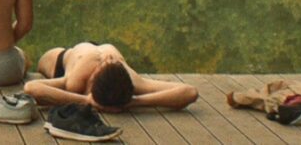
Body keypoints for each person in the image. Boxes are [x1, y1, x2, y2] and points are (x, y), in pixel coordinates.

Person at [24, 42, 198, 112]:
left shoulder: (132, 80)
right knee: (38, 63)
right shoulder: (76, 80)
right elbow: (31, 88)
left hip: (94, 55)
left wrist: (134, 101)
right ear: (92, 79)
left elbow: (190, 92)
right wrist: (86, 100)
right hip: (67, 57)